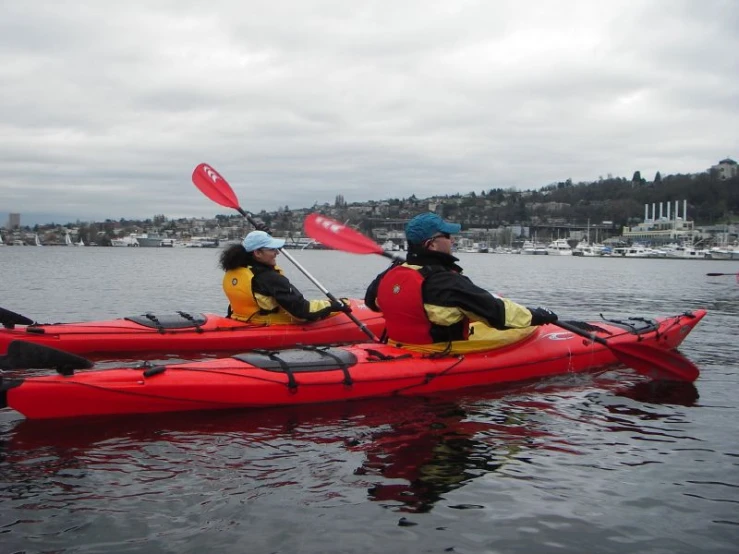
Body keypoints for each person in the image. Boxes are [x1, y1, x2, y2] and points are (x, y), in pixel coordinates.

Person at [365, 213, 558, 347]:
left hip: (398, 346)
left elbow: (371, 302)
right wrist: (538, 315)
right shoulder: (447, 282)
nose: (453, 241)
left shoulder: (390, 274)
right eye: (447, 236)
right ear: (431, 245)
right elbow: (499, 314)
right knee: (520, 329)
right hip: (438, 353)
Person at [219, 229, 346, 324]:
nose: (277, 252)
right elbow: (302, 311)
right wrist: (333, 305)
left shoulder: (236, 270)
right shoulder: (269, 278)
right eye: (272, 249)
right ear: (257, 253)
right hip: (268, 325)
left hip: (241, 320)